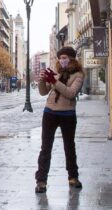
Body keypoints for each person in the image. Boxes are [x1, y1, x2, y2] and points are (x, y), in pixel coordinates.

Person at [35, 46, 85, 193]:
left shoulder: (78, 74)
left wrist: (54, 81)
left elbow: (71, 93)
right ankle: (41, 180)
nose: (62, 60)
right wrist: (42, 80)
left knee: (69, 147)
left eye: (65, 58)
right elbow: (44, 92)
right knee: (45, 147)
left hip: (67, 114)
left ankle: (73, 177)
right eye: (60, 58)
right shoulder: (56, 72)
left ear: (71, 58)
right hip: (50, 112)